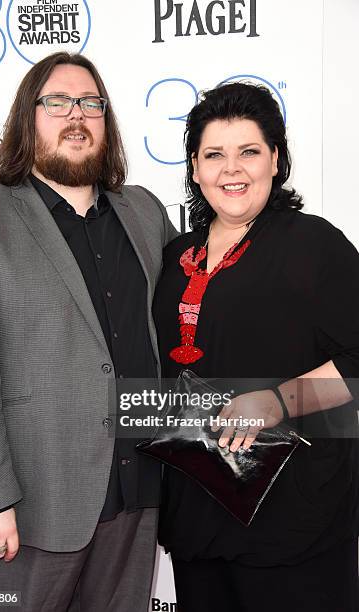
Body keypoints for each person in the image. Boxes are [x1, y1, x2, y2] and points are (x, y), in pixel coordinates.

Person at [0, 52, 177, 611]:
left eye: (90, 103)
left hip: (137, 494)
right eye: (57, 102)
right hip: (27, 511)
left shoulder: (145, 211)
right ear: (27, 119)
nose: (76, 114)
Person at [153, 82, 359, 611]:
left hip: (293, 519)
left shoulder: (314, 244)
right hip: (198, 511)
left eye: (249, 151)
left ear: (275, 160)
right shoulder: (175, 255)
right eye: (214, 155)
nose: (232, 170)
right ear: (195, 169)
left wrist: (278, 402)